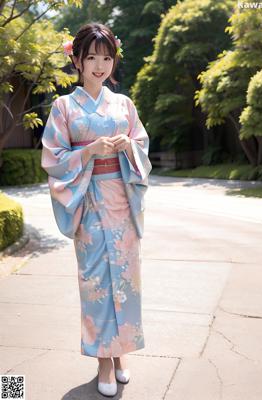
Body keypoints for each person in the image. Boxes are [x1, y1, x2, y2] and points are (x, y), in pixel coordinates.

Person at [41, 22, 152, 397]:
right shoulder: (63, 107)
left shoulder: (124, 104)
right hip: (88, 202)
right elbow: (54, 158)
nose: (100, 66)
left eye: (107, 58)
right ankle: (104, 361)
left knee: (125, 280)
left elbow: (142, 144)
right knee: (97, 284)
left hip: (122, 202)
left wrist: (129, 147)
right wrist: (88, 151)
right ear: (77, 59)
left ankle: (120, 355)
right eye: (91, 57)